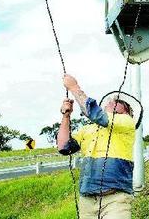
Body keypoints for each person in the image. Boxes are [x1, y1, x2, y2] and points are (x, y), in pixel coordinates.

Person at [57, 74, 136, 219]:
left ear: (126, 110)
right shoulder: (88, 129)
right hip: (87, 200)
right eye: (109, 101)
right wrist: (66, 116)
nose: (110, 101)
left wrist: (74, 87)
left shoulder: (126, 122)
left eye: (116, 101)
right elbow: (63, 146)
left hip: (116, 198)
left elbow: (95, 113)